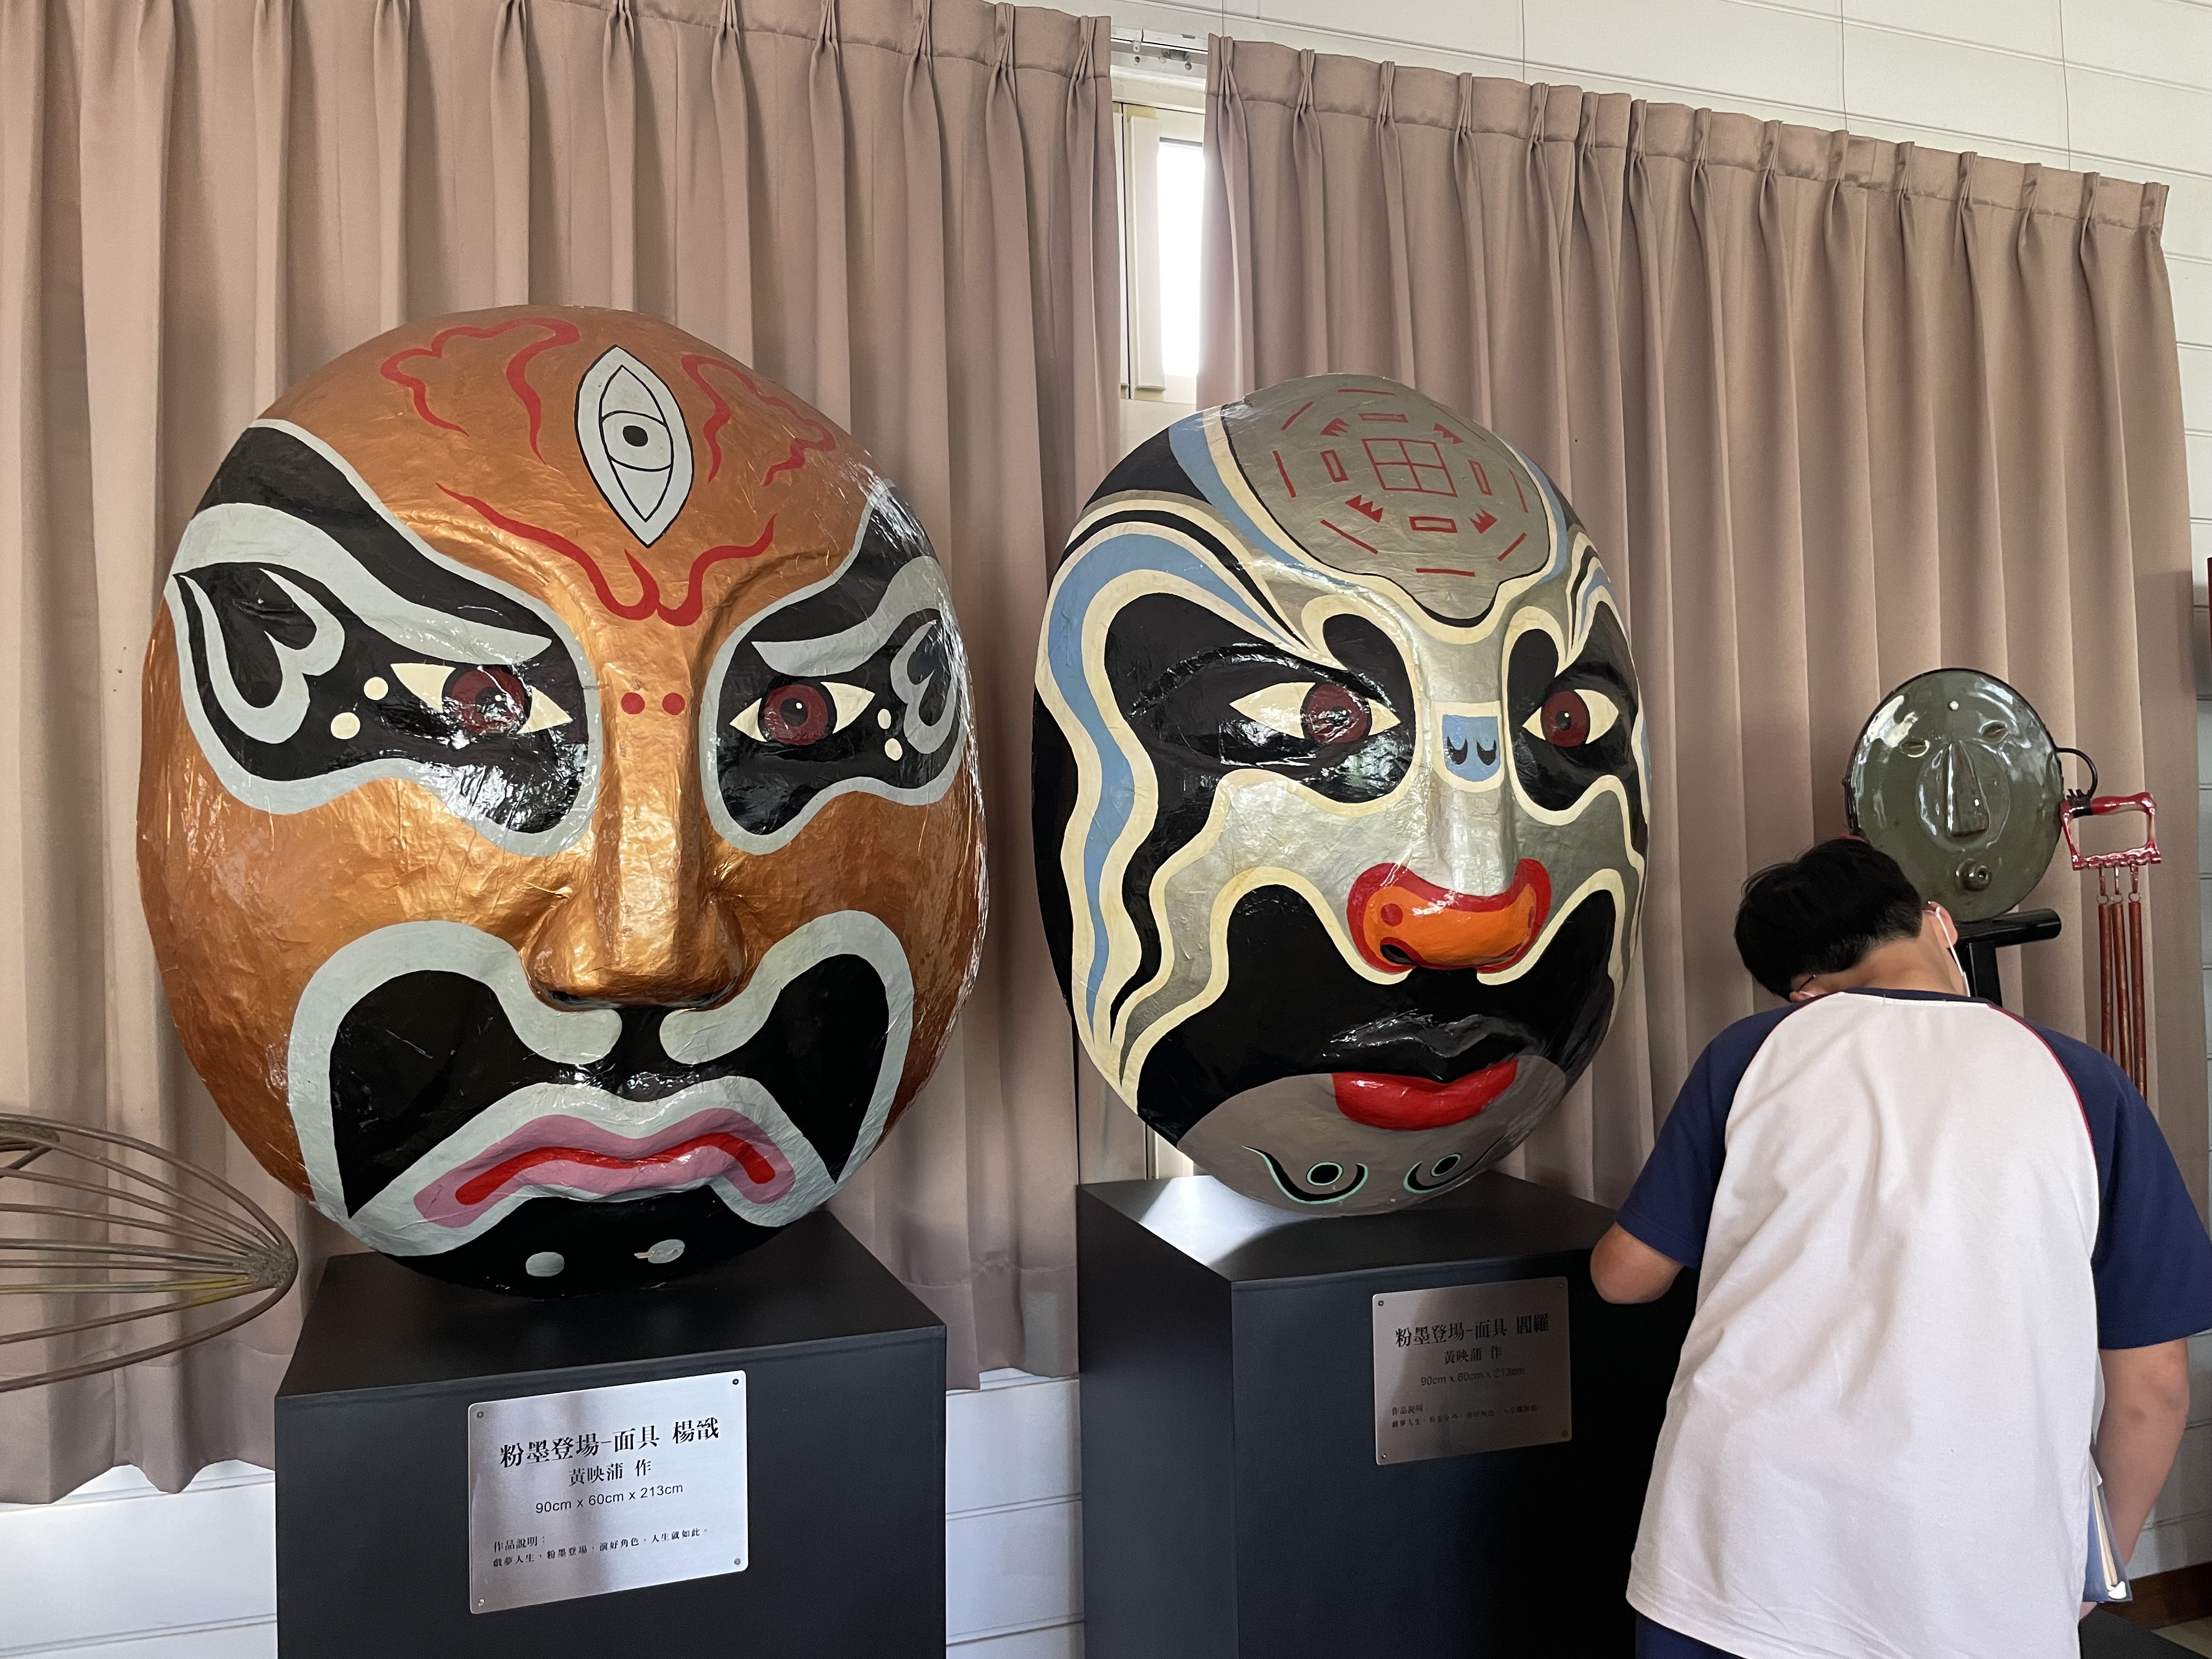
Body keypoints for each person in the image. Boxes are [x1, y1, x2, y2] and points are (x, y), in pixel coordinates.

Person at [1593, 837, 2212, 1659]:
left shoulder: (1752, 1055)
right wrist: (2095, 1569)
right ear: (1940, 922)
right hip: (1980, 1572)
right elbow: (2154, 1388)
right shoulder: (2082, 1083)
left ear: (1804, 993)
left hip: (1736, 1552)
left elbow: (1624, 1278)